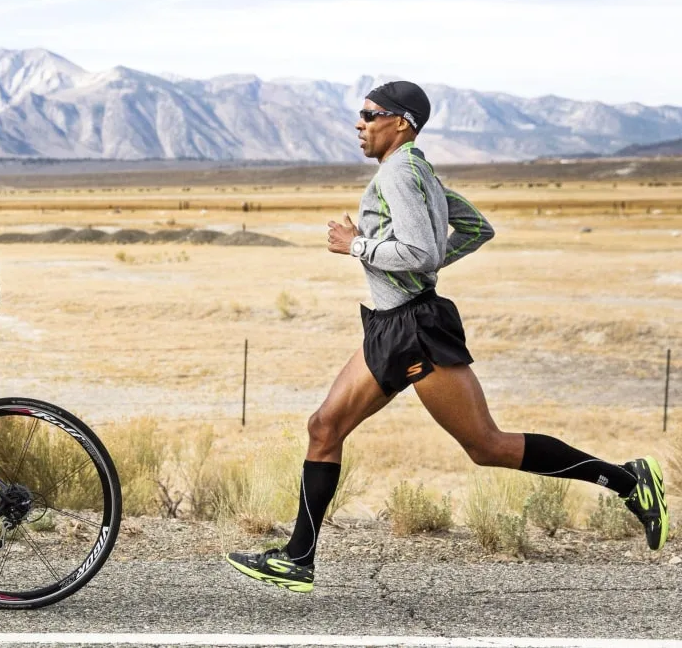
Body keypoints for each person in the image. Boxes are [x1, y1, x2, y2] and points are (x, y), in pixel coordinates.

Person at [226, 81, 668, 593]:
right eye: (361, 114)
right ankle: (296, 558)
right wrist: (408, 268)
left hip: (415, 330)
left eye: (370, 114)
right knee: (324, 427)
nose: (359, 123)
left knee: (487, 445)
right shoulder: (418, 172)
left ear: (401, 123)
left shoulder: (402, 174)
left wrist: (358, 246)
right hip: (391, 324)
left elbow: (422, 254)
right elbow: (476, 229)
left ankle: (629, 482)